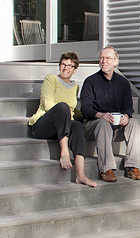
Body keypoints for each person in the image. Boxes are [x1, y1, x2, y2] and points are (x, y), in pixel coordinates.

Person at [28, 52, 96, 187]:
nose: (66, 68)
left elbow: (73, 109)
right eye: (63, 65)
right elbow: (48, 104)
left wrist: (93, 114)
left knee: (76, 126)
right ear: (59, 65)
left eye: (70, 66)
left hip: (61, 126)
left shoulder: (75, 86)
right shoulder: (51, 79)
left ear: (75, 69)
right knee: (63, 108)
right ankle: (64, 152)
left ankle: (80, 175)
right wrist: (65, 115)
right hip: (42, 125)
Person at [80, 45, 140, 182]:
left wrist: (125, 116)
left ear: (116, 61)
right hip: (94, 125)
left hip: (116, 126)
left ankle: (132, 167)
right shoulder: (90, 82)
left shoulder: (123, 83)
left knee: (134, 123)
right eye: (101, 58)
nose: (104, 61)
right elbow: (85, 108)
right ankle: (107, 169)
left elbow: (128, 107)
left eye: (108, 58)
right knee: (103, 123)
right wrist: (100, 115)